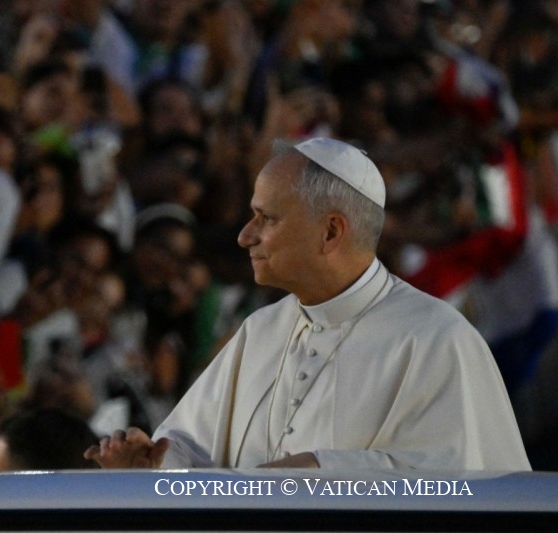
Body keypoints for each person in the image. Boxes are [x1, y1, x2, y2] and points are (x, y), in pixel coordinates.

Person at [84, 137, 532, 471]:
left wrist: (320, 471)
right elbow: (204, 469)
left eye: (266, 218)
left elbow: (459, 486)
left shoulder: (438, 338)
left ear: (332, 232)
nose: (245, 235)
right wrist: (155, 464)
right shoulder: (260, 331)